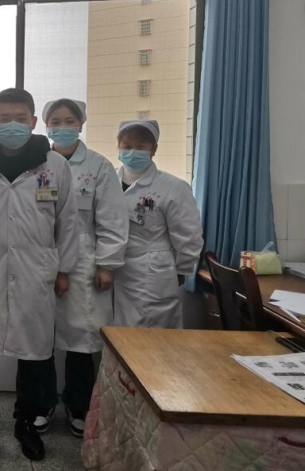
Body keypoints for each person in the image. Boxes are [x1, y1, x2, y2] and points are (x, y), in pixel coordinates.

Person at [0, 88, 78, 463]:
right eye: (5, 119)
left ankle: (25, 423)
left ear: (33, 122)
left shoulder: (54, 166)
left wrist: (64, 269)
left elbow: (68, 222)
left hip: (36, 273)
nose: (13, 125)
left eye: (20, 118)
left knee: (35, 355)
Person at [42, 99, 129, 438]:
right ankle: (41, 403)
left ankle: (78, 406)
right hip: (41, 256)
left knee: (82, 337)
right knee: (39, 336)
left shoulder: (98, 166)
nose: (62, 126)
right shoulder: (39, 162)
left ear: (81, 124)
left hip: (83, 263)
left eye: (69, 120)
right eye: (56, 121)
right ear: (46, 125)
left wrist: (107, 263)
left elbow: (112, 218)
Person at [113, 120, 204, 329]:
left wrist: (181, 270)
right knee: (115, 334)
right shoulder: (107, 182)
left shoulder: (173, 187)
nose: (133, 152)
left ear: (153, 149)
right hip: (114, 271)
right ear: (118, 147)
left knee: (152, 334)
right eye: (127, 146)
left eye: (141, 146)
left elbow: (189, 236)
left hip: (152, 273)